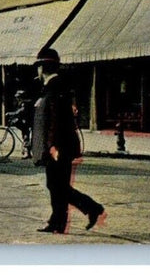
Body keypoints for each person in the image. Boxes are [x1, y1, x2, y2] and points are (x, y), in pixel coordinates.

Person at [29, 48, 104, 234]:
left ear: (43, 68)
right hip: (59, 144)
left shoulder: (55, 86)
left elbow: (55, 119)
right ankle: (58, 222)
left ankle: (92, 208)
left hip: (59, 145)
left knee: (58, 186)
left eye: (39, 66)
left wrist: (53, 145)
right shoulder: (53, 86)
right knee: (56, 185)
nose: (38, 70)